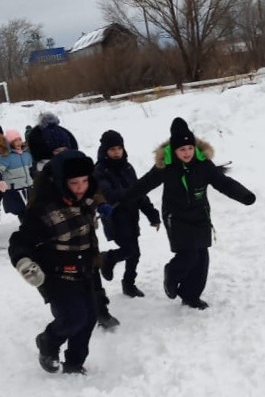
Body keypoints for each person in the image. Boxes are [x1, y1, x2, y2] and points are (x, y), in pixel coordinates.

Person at [127, 117, 256, 309]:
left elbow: (222, 182)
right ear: (174, 150)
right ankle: (171, 273)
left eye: (189, 148)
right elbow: (144, 184)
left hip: (200, 215)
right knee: (189, 256)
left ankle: (190, 295)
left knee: (202, 259)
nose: (187, 153)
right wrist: (121, 199)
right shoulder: (165, 166)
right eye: (181, 149)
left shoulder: (204, 163)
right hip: (176, 216)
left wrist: (244, 195)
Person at [8, 149, 99, 375]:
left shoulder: (86, 200)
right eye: (74, 182)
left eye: (85, 181)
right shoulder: (44, 210)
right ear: (61, 181)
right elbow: (20, 240)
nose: (81, 187)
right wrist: (23, 261)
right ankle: (48, 341)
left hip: (85, 270)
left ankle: (75, 363)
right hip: (56, 275)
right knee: (74, 317)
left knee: (89, 318)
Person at [28, 111, 119, 330]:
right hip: (60, 241)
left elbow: (91, 187)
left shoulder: (76, 167)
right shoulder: (45, 177)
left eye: (65, 148)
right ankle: (69, 318)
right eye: (58, 150)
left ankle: (101, 311)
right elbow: (36, 208)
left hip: (85, 235)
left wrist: (102, 204)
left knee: (92, 272)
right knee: (70, 284)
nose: (62, 152)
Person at [94, 130, 161, 298]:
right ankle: (107, 258)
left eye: (119, 148)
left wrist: (152, 214)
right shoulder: (100, 170)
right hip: (115, 217)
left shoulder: (128, 167)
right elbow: (108, 194)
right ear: (105, 151)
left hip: (131, 216)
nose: (116, 153)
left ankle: (128, 284)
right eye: (112, 149)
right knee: (130, 250)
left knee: (134, 252)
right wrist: (130, 193)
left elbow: (140, 193)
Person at [0, 129, 33, 222]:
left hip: (28, 187)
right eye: (15, 141)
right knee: (23, 214)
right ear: (10, 143)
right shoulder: (6, 156)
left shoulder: (26, 154)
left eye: (19, 139)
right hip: (15, 191)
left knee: (33, 212)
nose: (18, 143)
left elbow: (31, 169)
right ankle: (27, 232)